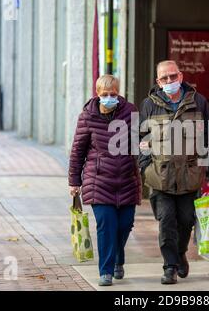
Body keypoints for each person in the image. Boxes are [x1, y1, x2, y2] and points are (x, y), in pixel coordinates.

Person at [139, 60, 209, 285]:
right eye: (164, 78)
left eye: (172, 77)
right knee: (166, 220)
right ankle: (170, 267)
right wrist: (145, 166)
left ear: (181, 76)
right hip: (160, 177)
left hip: (190, 177)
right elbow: (141, 140)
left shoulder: (198, 102)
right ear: (158, 81)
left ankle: (181, 252)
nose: (169, 81)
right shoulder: (149, 105)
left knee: (186, 221)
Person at [68, 75, 141, 287]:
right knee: (106, 225)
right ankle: (106, 271)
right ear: (97, 94)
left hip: (127, 179)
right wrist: (74, 182)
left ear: (119, 94)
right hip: (98, 180)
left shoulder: (131, 112)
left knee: (124, 225)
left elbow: (138, 141)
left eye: (113, 94)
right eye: (105, 95)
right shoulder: (87, 117)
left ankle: (118, 256)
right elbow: (77, 151)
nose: (109, 98)